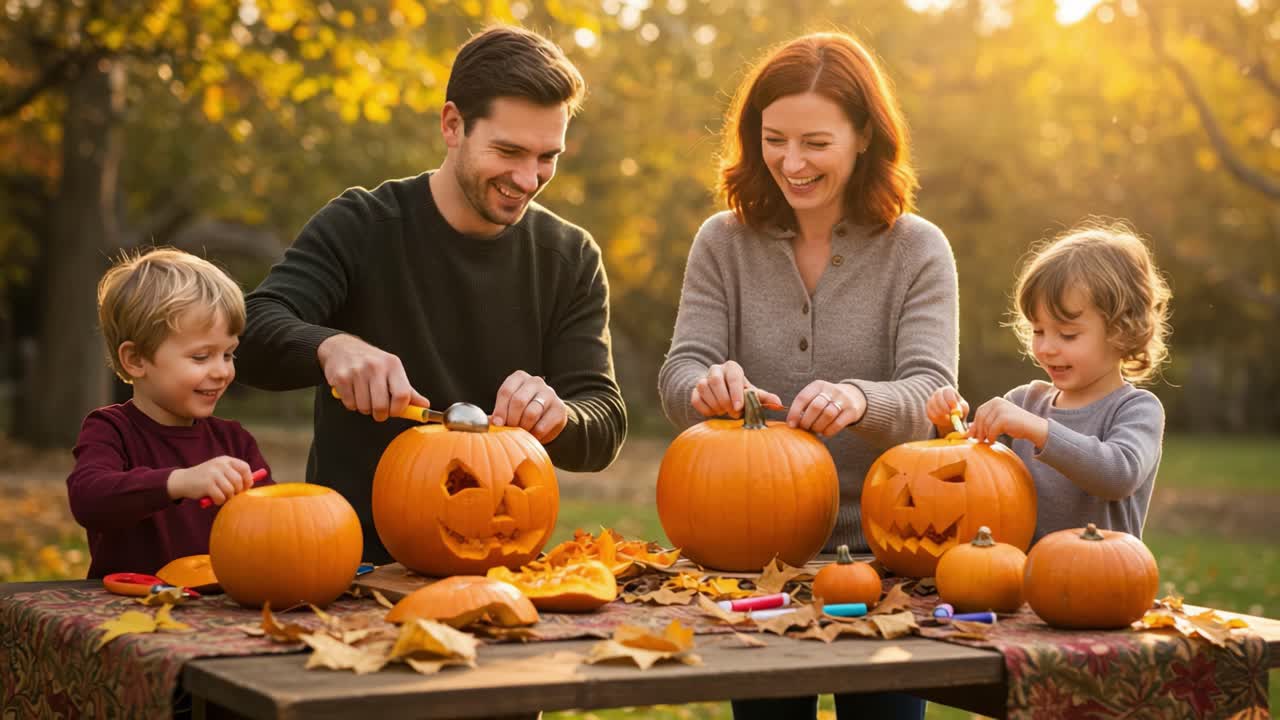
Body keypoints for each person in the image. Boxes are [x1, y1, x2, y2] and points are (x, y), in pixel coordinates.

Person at [236, 25, 627, 564]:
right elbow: (252, 329)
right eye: (509, 151)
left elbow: (603, 419)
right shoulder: (362, 224)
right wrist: (330, 347)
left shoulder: (570, 257)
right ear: (452, 125)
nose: (528, 177)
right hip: (347, 559)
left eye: (546, 156)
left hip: (499, 560)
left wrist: (561, 416)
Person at [658, 32, 957, 720]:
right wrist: (705, 387)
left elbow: (932, 397)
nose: (790, 162)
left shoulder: (918, 250)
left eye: (815, 143)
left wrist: (860, 397)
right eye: (773, 139)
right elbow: (680, 372)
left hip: (883, 557)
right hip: (753, 556)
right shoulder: (722, 241)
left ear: (863, 138)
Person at [927, 220, 1170, 542]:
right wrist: (948, 426)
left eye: (1068, 335)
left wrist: (1037, 430)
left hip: (1101, 581)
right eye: (1038, 331)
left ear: (1121, 331)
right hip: (1019, 578)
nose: (1046, 347)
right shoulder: (1024, 403)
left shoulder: (1135, 409)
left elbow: (1119, 474)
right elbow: (975, 476)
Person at [68, 248, 271, 579]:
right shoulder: (111, 429)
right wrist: (180, 482)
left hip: (222, 610)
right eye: (201, 357)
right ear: (136, 359)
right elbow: (89, 498)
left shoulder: (235, 441)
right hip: (132, 609)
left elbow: (277, 526)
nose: (221, 371)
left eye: (229, 354)